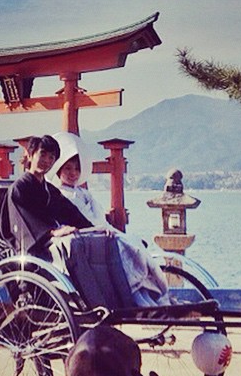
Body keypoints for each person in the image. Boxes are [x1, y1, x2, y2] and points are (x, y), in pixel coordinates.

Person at [48, 132, 170, 307]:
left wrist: (102, 227)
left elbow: (98, 217)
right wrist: (95, 229)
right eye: (68, 168)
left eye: (76, 168)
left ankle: (150, 295)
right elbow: (67, 221)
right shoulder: (57, 194)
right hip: (84, 235)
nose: (73, 173)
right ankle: (135, 298)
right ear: (59, 169)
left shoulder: (84, 193)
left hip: (99, 230)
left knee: (134, 244)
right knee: (125, 249)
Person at [0, 134, 93, 259]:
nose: (46, 161)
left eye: (51, 157)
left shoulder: (49, 189)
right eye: (42, 155)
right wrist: (52, 232)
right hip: (29, 248)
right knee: (70, 246)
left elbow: (70, 213)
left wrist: (93, 229)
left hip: (50, 241)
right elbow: (27, 223)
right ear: (30, 154)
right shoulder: (19, 188)